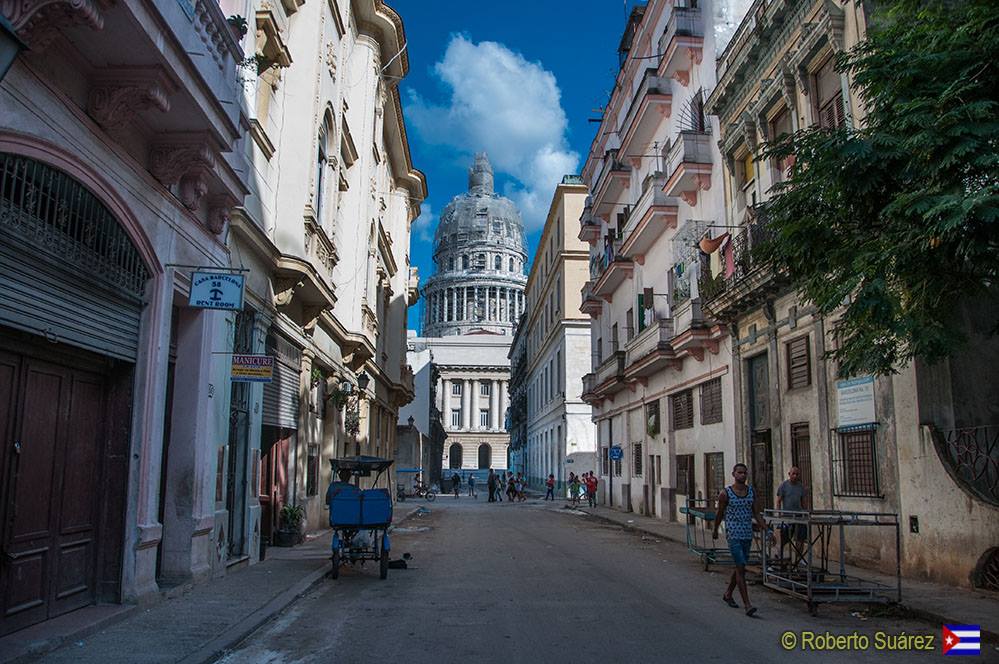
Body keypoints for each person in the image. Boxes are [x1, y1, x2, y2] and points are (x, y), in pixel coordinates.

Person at [712, 462, 771, 617]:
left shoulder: (751, 492)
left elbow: (756, 513)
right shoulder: (726, 493)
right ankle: (747, 605)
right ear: (733, 474)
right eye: (739, 472)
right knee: (741, 568)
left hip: (746, 534)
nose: (742, 475)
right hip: (733, 535)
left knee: (740, 567)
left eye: (744, 473)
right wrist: (715, 530)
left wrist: (766, 529)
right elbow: (720, 513)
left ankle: (728, 594)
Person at [776, 466, 808, 559]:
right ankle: (779, 554)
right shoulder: (784, 486)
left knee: (800, 538)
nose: (795, 476)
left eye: (797, 474)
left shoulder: (801, 486)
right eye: (793, 474)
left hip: (799, 516)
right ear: (789, 474)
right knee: (784, 538)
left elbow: (803, 501)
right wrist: (779, 513)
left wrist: (805, 513)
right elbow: (778, 501)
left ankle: (799, 558)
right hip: (787, 516)